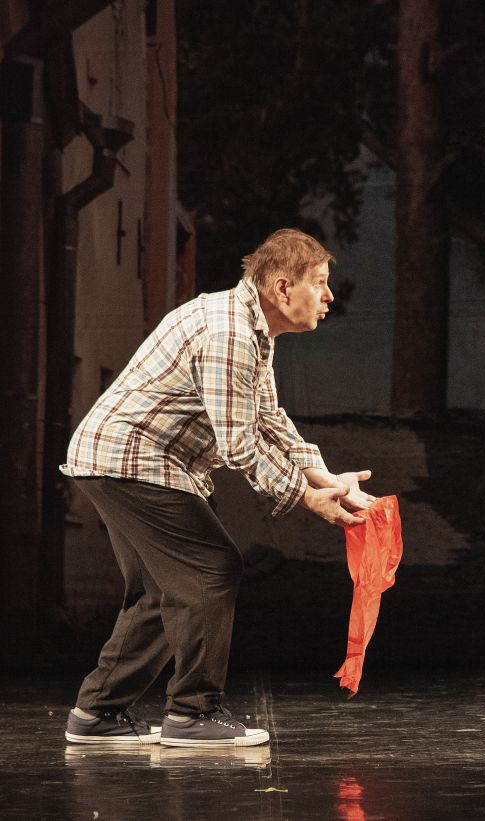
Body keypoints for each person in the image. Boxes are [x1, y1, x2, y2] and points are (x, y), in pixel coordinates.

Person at [61, 228, 376, 747]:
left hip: (126, 461)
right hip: (133, 461)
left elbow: (267, 417)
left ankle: (96, 713)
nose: (328, 296)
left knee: (163, 589)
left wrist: (324, 477)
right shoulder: (228, 333)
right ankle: (192, 713)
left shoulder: (252, 329)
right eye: (319, 282)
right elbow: (240, 446)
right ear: (282, 287)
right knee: (211, 568)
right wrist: (305, 498)